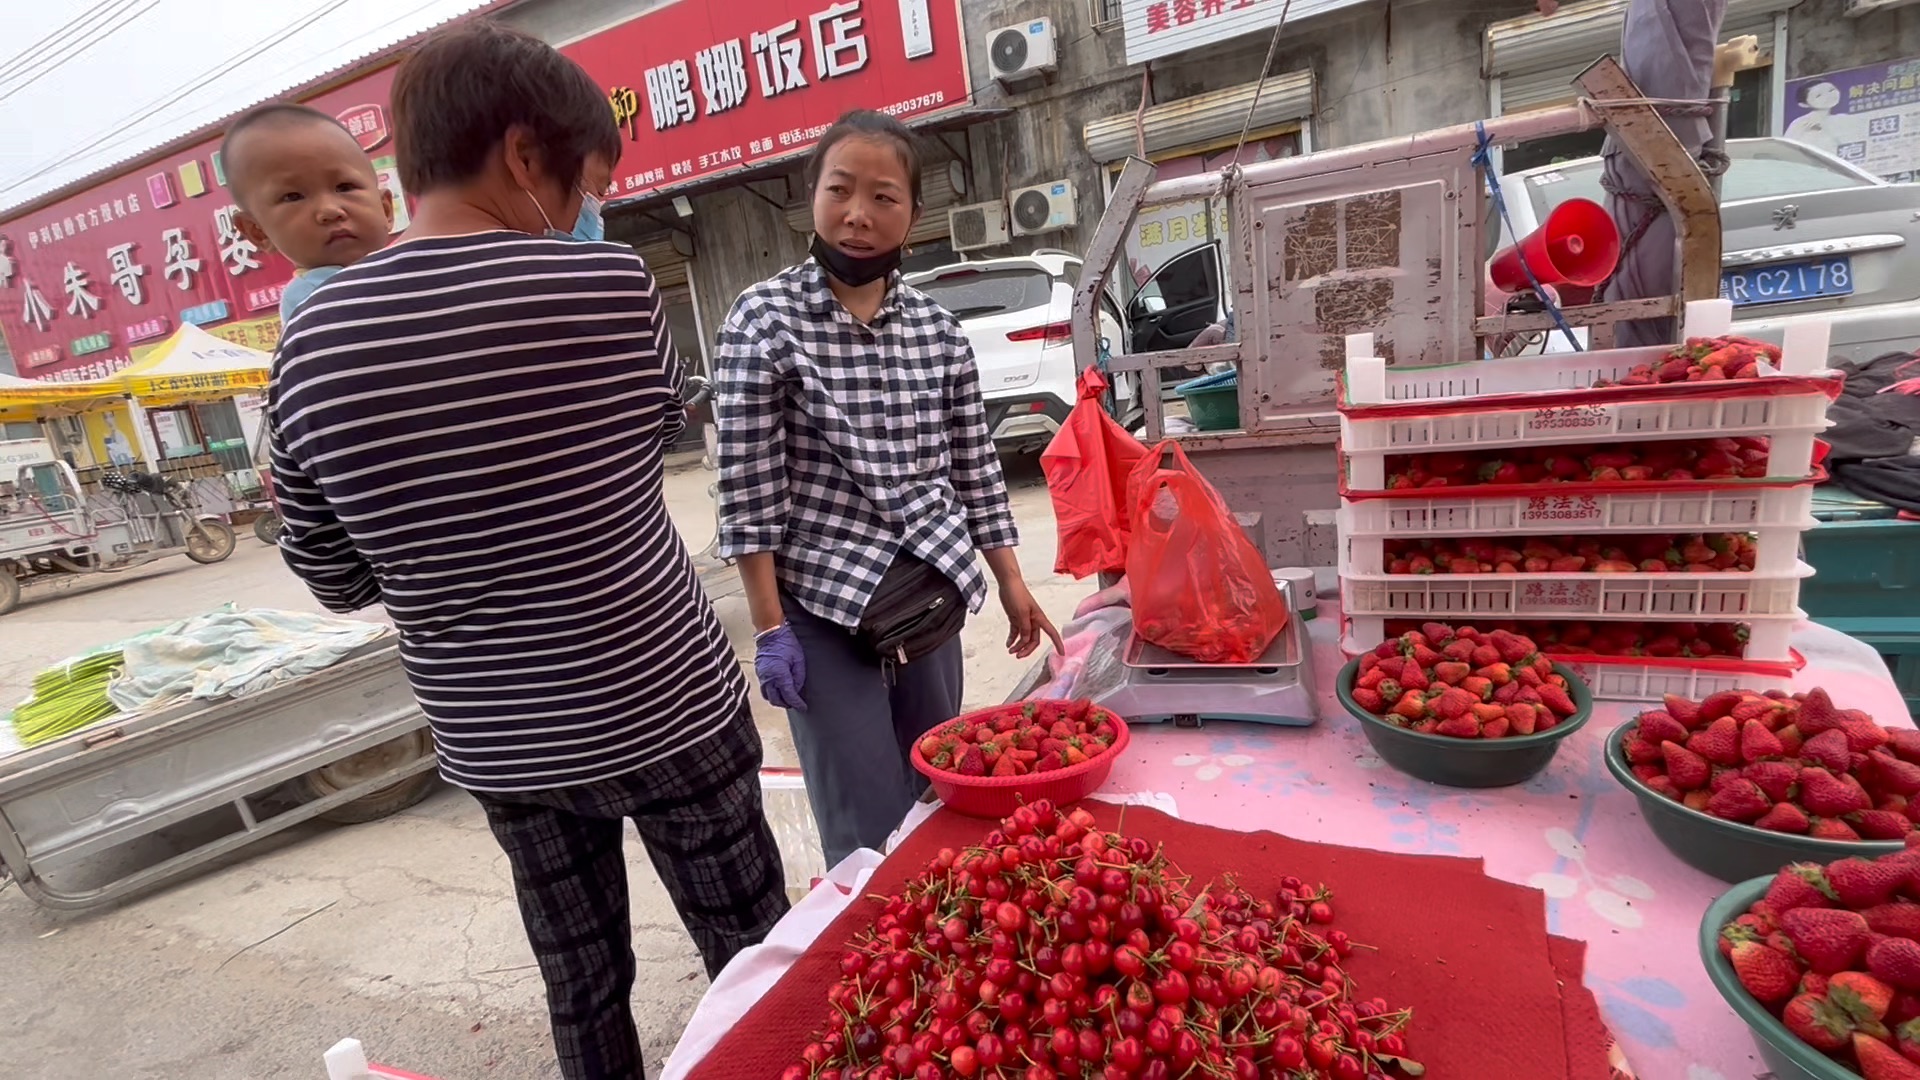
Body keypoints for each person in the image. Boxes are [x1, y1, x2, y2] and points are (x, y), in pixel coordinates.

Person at [264, 22, 787, 1080]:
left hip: (506, 743)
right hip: (666, 702)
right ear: (521, 155)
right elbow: (649, 449)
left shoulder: (305, 354)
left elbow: (337, 578)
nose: (589, 212)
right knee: (753, 958)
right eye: (588, 182)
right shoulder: (608, 287)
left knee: (583, 982)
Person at [715, 109, 1063, 868]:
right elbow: (749, 494)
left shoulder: (938, 332)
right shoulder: (764, 320)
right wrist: (770, 629)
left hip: (927, 595)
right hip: (821, 606)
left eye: (883, 197)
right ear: (812, 194)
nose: (858, 215)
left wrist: (1011, 581)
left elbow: (975, 469)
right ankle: (872, 943)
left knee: (941, 787)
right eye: (840, 189)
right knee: (866, 825)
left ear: (913, 214)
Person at [219, 103, 395, 323]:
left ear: (386, 208)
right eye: (293, 197)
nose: (329, 210)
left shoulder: (409, 265)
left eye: (345, 187)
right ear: (258, 232)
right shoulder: (311, 299)